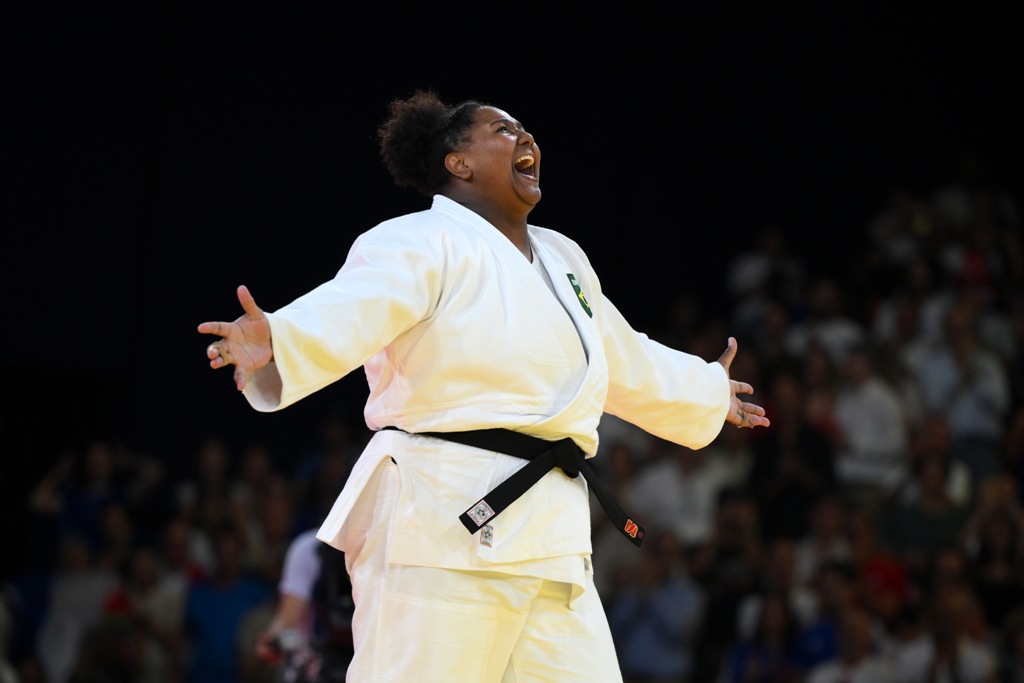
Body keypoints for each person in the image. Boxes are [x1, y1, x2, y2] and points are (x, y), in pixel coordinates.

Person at [198, 89, 769, 682]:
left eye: (527, 131)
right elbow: (352, 308)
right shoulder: (419, 241)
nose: (526, 139)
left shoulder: (563, 258)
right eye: (504, 129)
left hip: (552, 541)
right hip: (441, 524)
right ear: (458, 162)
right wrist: (278, 341)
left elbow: (623, 358)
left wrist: (705, 391)